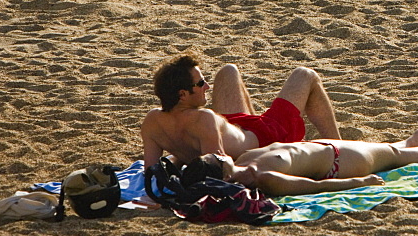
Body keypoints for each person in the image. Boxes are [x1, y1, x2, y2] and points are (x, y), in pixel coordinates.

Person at [141, 55, 341, 168]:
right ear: (183, 95)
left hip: (234, 125)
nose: (207, 87)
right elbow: (220, 170)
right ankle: (341, 148)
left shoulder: (152, 120)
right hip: (266, 138)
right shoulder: (204, 118)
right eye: (200, 83)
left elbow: (151, 172)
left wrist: (176, 160)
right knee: (305, 75)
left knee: (228, 71)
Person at [183, 119, 418, 196]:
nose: (220, 154)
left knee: (387, 149)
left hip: (325, 147)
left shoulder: (243, 159)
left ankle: (407, 143)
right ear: (223, 174)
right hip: (341, 163)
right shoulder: (264, 179)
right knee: (392, 155)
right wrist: (358, 182)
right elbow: (315, 187)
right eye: (217, 159)